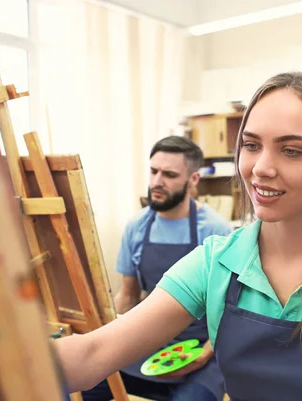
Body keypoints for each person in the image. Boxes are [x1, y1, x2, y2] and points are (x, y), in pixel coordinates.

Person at [55, 72, 302, 401]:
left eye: (292, 151)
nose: (260, 168)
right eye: (251, 145)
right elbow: (93, 352)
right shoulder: (216, 262)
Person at [81, 135, 232, 401]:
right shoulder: (137, 226)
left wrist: (203, 356)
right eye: (153, 171)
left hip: (202, 349)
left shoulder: (215, 231)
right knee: (83, 389)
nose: (157, 182)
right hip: (147, 341)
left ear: (193, 179)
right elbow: (128, 295)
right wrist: (102, 337)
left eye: (169, 174)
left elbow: (230, 311)